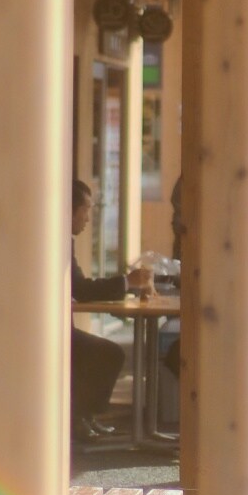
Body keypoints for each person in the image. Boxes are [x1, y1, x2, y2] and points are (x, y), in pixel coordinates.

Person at [70, 180, 151, 442]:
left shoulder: (60, 240)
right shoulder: (56, 241)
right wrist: (128, 282)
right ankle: (80, 418)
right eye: (85, 210)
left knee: (105, 353)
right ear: (69, 210)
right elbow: (81, 288)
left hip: (55, 330)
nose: (88, 219)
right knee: (108, 353)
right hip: (43, 334)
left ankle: (84, 418)